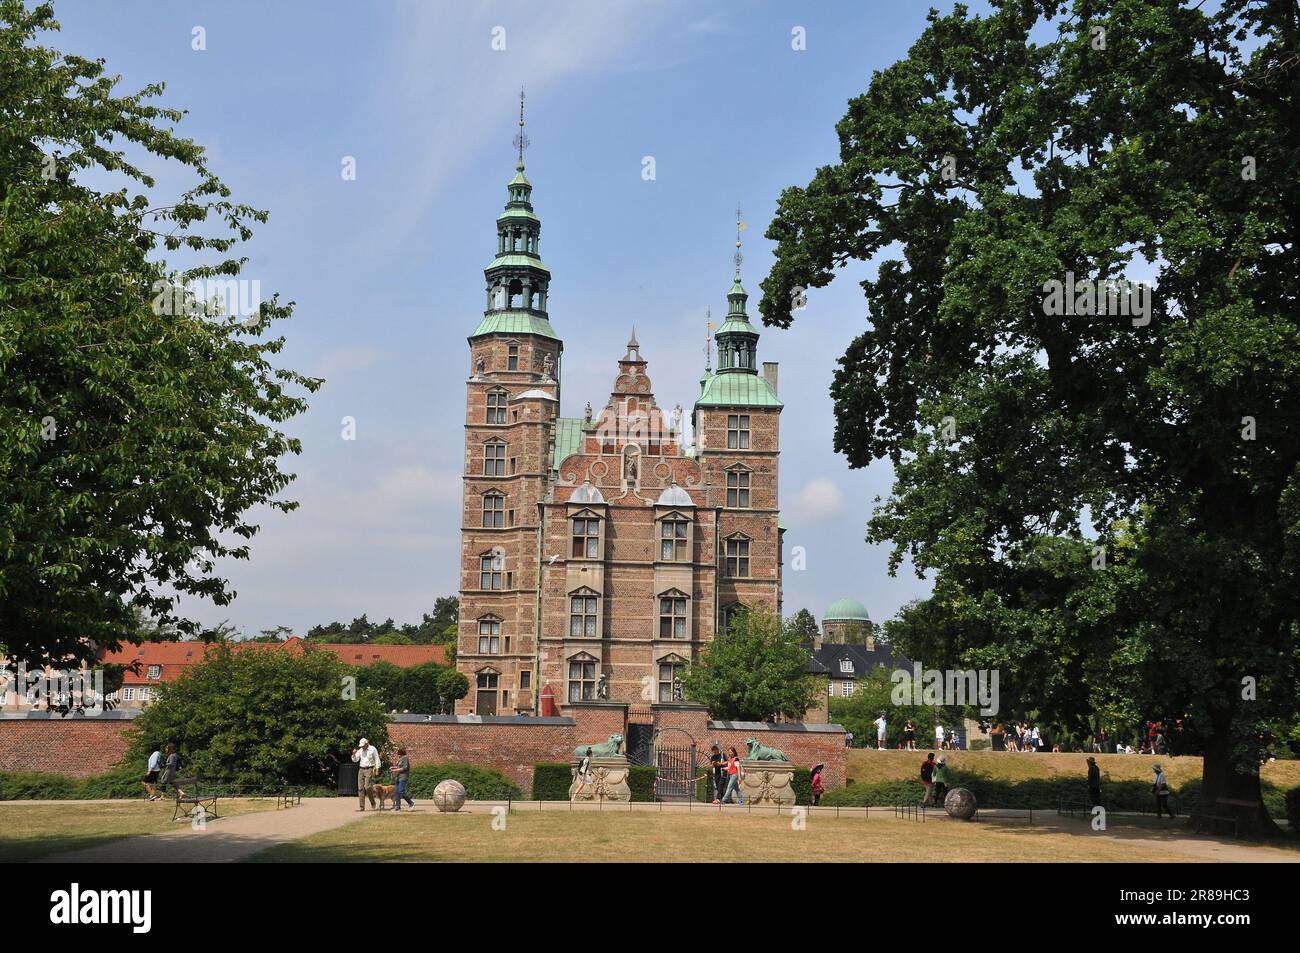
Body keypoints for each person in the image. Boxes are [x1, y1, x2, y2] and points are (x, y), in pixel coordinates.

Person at [352, 737, 381, 811]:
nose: (362, 747)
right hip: (361, 769)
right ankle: (362, 807)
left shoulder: (373, 749)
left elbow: (377, 759)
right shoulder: (360, 750)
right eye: (361, 746)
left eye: (363, 745)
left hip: (369, 769)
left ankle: (373, 803)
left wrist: (377, 769)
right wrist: (354, 754)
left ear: (366, 744)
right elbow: (355, 760)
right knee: (360, 788)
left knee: (367, 787)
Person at [393, 747, 414, 811]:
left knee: (401, 792)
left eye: (399, 753)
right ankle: (397, 807)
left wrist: (396, 769)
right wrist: (393, 768)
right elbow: (399, 766)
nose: (398, 755)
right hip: (397, 777)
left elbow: (405, 768)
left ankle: (411, 803)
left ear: (401, 753)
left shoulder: (405, 758)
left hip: (403, 777)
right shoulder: (400, 758)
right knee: (396, 792)